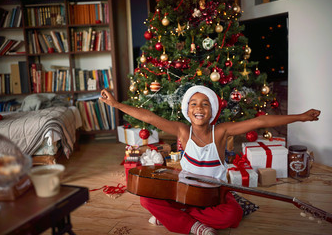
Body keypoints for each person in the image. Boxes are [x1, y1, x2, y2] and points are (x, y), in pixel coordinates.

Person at [99, 85, 320, 235]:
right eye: (193, 103)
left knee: (233, 214)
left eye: (205, 103)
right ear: (187, 110)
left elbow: (260, 122)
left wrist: (300, 117)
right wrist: (116, 104)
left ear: (212, 110)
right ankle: (194, 227)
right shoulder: (182, 131)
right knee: (146, 200)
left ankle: (174, 218)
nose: (199, 108)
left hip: (213, 194)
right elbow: (149, 117)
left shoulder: (221, 132)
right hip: (183, 192)